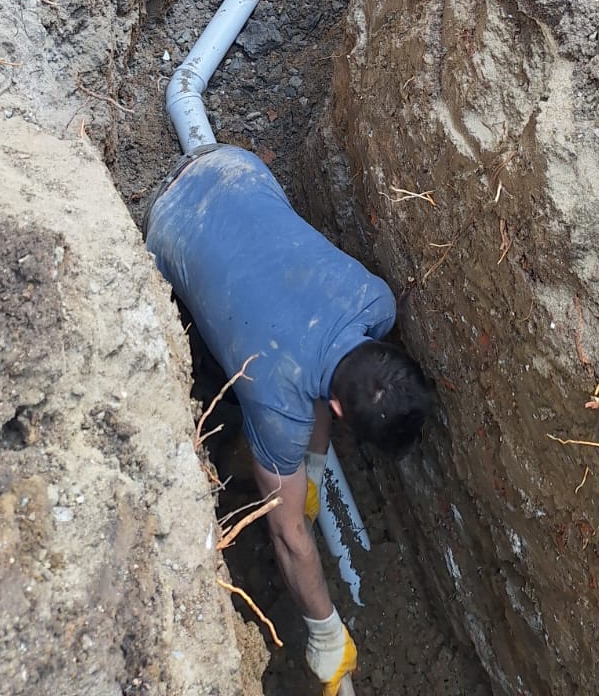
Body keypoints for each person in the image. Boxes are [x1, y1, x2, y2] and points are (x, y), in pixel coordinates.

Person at [145, 143, 430, 695]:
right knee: (211, 379)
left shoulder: (375, 303)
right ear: (343, 413)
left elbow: (326, 370)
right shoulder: (277, 409)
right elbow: (288, 534)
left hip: (231, 164)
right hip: (167, 226)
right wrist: (326, 634)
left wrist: (312, 470)